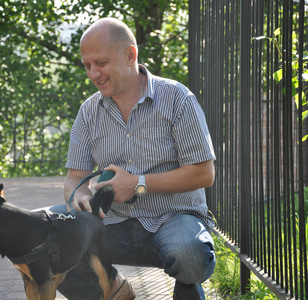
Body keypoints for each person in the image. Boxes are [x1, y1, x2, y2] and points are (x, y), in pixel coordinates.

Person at [58, 17, 216, 300]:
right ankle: (114, 291)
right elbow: (73, 178)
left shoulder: (178, 98)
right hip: (112, 221)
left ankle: (186, 286)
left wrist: (139, 183)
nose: (93, 74)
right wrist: (79, 196)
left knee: (189, 255)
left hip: (174, 219)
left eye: (101, 63)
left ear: (130, 54)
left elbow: (204, 173)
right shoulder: (88, 111)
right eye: (87, 66)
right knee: (49, 237)